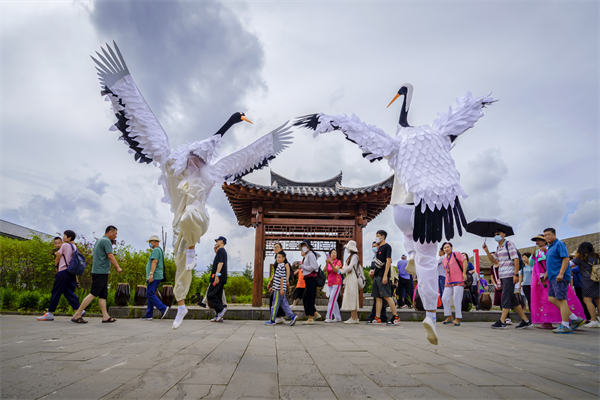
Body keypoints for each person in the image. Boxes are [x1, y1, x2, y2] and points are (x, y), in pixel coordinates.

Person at [482, 229, 532, 329]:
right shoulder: (498, 247)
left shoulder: (509, 244)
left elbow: (516, 258)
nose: (496, 236)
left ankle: (502, 321)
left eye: (498, 234)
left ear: (504, 235)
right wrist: (486, 250)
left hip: (509, 274)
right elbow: (493, 260)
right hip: (503, 275)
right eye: (495, 234)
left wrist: (516, 274)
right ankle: (526, 320)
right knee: (512, 299)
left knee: (505, 297)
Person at [72, 226, 122, 323]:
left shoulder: (100, 240)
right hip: (100, 272)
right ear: (110, 232)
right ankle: (77, 314)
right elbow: (110, 256)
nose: (116, 236)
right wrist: (117, 267)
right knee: (93, 294)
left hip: (100, 271)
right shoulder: (106, 241)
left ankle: (105, 316)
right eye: (115, 234)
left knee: (103, 295)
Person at [541, 229, 586, 334]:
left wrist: (561, 273)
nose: (546, 237)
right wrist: (546, 275)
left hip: (559, 277)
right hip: (552, 277)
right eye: (545, 235)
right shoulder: (549, 247)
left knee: (561, 300)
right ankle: (574, 318)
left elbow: (565, 259)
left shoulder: (559, 244)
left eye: (548, 235)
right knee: (552, 298)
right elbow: (551, 263)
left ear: (554, 235)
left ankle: (565, 325)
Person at [37, 230, 83, 321]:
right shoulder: (74, 246)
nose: (63, 237)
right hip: (71, 272)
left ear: (69, 238)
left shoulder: (65, 245)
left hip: (63, 271)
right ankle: (79, 310)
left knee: (56, 291)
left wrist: (55, 266)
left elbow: (58, 256)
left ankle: (49, 313)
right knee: (68, 292)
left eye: (65, 236)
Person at [371, 230, 401, 325]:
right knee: (377, 297)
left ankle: (396, 317)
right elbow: (377, 263)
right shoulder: (378, 248)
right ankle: (377, 317)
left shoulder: (387, 247)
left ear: (383, 236)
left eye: (378, 236)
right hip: (376, 276)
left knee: (387, 296)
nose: (376, 237)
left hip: (382, 276)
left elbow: (388, 261)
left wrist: (385, 276)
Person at [265, 251, 298, 326]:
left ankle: (272, 320)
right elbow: (278, 279)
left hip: (279, 290)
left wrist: (281, 289)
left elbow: (282, 278)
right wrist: (273, 287)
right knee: (284, 304)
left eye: (280, 257)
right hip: (279, 288)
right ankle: (293, 317)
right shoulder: (281, 266)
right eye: (277, 257)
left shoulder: (281, 266)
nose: (278, 259)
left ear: (284, 258)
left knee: (275, 304)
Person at [140, 235, 169, 321]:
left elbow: (155, 261)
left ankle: (163, 308)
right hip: (157, 275)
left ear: (155, 242)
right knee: (150, 294)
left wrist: (151, 274)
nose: (149, 244)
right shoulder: (159, 250)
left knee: (150, 294)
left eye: (150, 242)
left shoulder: (156, 250)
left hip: (154, 276)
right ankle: (149, 314)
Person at [572, 242, 600, 328]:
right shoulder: (597, 256)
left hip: (587, 281)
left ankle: (594, 320)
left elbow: (568, 264)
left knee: (587, 300)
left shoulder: (580, 258)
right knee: (598, 300)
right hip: (598, 280)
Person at [441, 243, 467, 326]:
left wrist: (464, 273)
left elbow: (464, 261)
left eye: (448, 247)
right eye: (445, 248)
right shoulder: (444, 260)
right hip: (448, 282)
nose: (447, 249)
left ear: (451, 247)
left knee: (456, 299)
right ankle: (449, 316)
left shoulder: (456, 254)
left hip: (458, 280)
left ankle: (457, 318)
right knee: (444, 298)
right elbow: (446, 271)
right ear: (443, 250)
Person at [205, 236, 228, 324]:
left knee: (210, 295)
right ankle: (219, 316)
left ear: (221, 241)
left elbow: (220, 263)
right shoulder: (222, 251)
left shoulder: (221, 250)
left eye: (217, 241)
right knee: (217, 296)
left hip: (218, 278)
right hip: (222, 278)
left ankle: (221, 310)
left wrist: (216, 276)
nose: (216, 243)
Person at [299, 239, 320, 325]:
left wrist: (302, 266)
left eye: (305, 246)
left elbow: (314, 267)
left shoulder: (310, 255)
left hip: (311, 278)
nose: (303, 247)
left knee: (309, 298)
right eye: (302, 246)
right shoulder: (307, 255)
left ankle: (311, 317)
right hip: (308, 279)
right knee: (306, 297)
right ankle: (314, 313)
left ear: (308, 246)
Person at [367, 241, 388, 323]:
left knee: (382, 298)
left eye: (375, 246)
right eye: (372, 246)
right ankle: (376, 315)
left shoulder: (381, 255)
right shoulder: (375, 257)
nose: (374, 248)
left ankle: (381, 316)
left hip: (381, 278)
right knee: (377, 299)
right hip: (375, 279)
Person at [340, 240, 361, 323]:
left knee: (352, 296)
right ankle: (355, 317)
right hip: (350, 277)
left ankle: (353, 317)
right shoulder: (351, 256)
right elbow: (347, 267)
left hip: (352, 277)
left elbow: (349, 267)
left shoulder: (354, 256)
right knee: (352, 296)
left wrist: (340, 272)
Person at [269, 242, 288, 323]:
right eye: (274, 247)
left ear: (281, 248)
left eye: (277, 247)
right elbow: (275, 271)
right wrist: (270, 280)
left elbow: (287, 269)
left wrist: (286, 280)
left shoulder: (283, 258)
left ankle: (279, 317)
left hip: (281, 283)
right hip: (276, 283)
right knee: (279, 300)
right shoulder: (277, 258)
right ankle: (280, 317)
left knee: (276, 300)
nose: (275, 248)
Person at [324, 249, 343, 323]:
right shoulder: (328, 262)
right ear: (330, 255)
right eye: (332, 253)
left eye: (335, 253)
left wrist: (331, 263)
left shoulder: (338, 262)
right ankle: (337, 317)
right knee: (333, 300)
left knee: (331, 299)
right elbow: (325, 270)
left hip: (337, 282)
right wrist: (326, 263)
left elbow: (336, 270)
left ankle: (328, 317)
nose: (334, 254)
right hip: (330, 283)